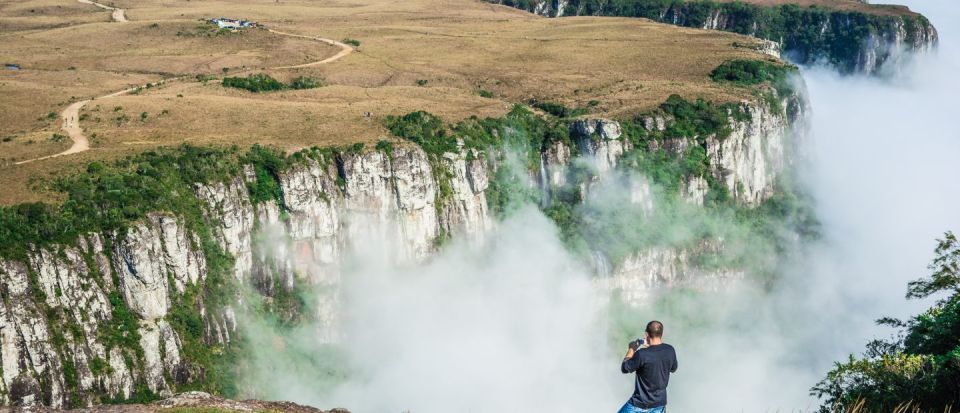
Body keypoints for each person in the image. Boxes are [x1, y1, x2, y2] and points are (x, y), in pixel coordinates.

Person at [618, 320, 678, 413]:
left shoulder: (642, 354)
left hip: (638, 405)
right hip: (659, 404)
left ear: (646, 335)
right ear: (662, 334)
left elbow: (625, 368)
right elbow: (673, 369)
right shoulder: (670, 350)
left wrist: (631, 349)